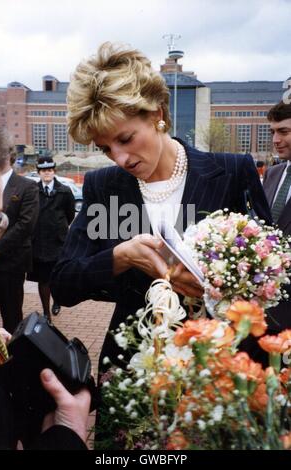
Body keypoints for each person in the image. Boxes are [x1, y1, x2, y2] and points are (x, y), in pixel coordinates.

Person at [50, 42, 272, 373]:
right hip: (132, 369)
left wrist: (215, 288)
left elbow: (272, 272)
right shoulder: (103, 187)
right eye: (105, 148)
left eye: (125, 139)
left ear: (157, 115)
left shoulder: (231, 172)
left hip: (220, 367)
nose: (119, 158)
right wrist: (120, 257)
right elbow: (63, 284)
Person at [0, 120, 90, 450]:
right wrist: (66, 433)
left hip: (19, 260)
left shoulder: (36, 188)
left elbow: (32, 223)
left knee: (14, 313)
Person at [0, 138, 39, 333]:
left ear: (9, 156)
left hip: (11, 264)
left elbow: (26, 225)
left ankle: (12, 362)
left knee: (12, 317)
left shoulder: (27, 186)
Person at [27, 157, 75, 320]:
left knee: (57, 276)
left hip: (58, 241)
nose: (46, 173)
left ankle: (57, 300)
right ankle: (46, 312)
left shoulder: (65, 191)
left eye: (49, 170)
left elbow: (70, 215)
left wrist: (59, 228)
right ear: (39, 173)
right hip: (39, 242)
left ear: (54, 171)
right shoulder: (33, 190)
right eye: (43, 171)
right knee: (43, 279)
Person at [263, 101, 291, 332]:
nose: (275, 139)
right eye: (273, 132)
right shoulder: (273, 173)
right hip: (266, 305)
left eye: (284, 131)